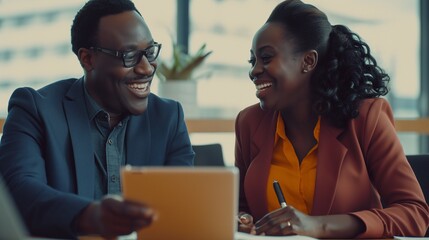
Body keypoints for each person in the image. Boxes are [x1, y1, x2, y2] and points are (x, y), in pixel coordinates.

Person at [0, 0, 194, 238]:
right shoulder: (34, 109)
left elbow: (183, 206)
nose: (147, 68)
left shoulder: (168, 118)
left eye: (150, 52)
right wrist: (91, 216)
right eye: (130, 55)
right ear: (87, 59)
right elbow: (18, 193)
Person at [235, 0, 429, 238]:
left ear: (308, 61)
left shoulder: (366, 118)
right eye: (253, 61)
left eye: (266, 58)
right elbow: (240, 208)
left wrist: (318, 226)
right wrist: (242, 221)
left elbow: (414, 213)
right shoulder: (249, 123)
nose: (254, 70)